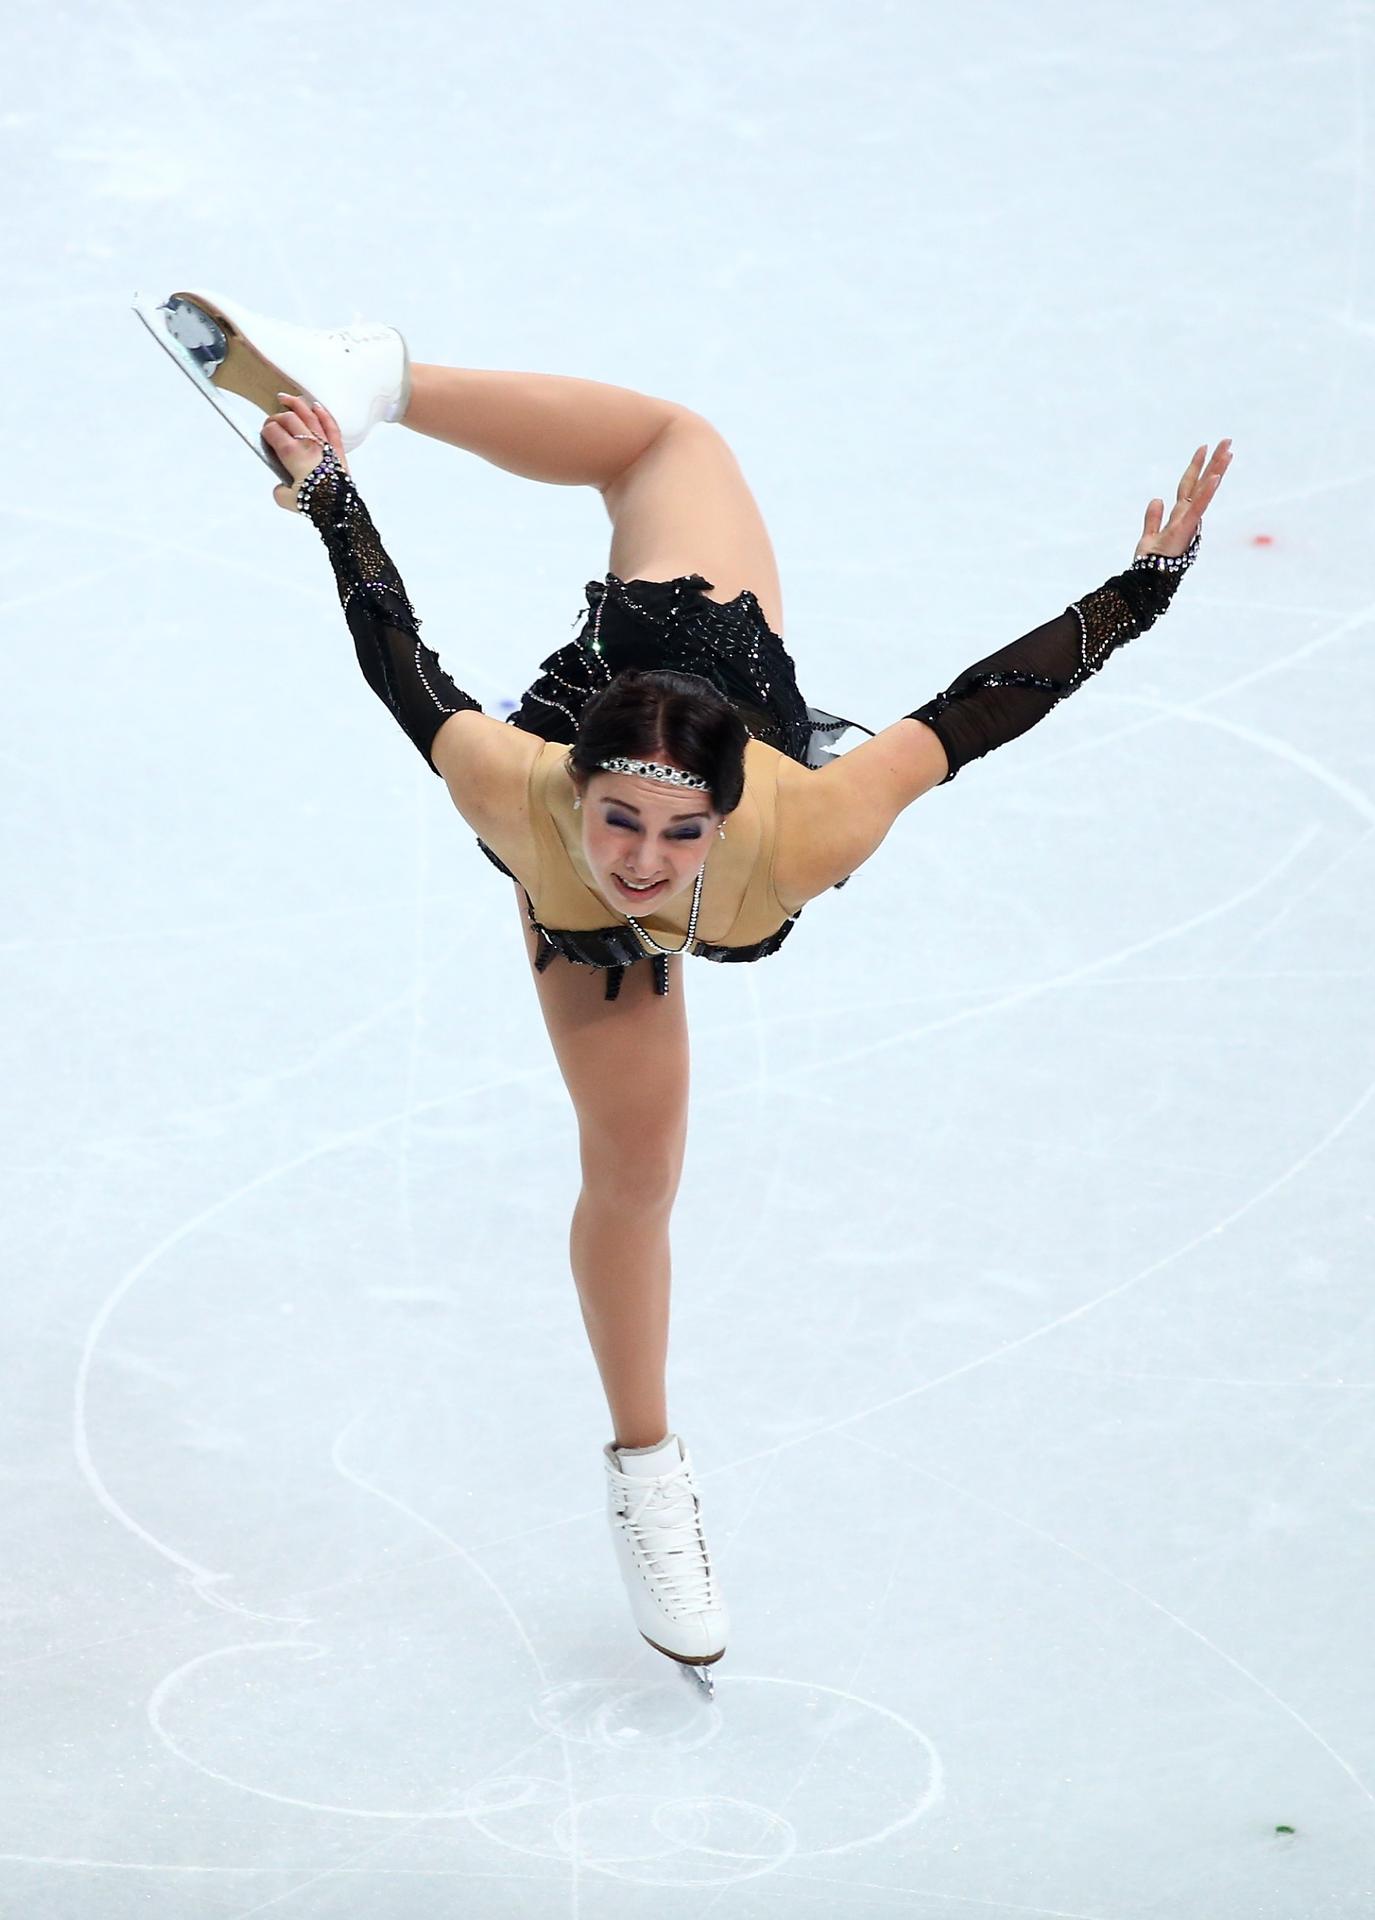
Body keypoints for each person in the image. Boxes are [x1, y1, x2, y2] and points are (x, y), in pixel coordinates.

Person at [166, 292, 1230, 1691]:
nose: (642, 864)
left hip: (711, 661)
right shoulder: (522, 794)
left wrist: (1141, 591)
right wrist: (329, 494)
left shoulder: (813, 822)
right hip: (608, 714)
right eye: (620, 823)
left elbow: (984, 705)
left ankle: (386, 372)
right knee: (637, 1170)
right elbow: (394, 650)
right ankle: (648, 1471)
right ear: (576, 793)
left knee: (669, 443)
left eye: (678, 836)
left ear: (728, 819)